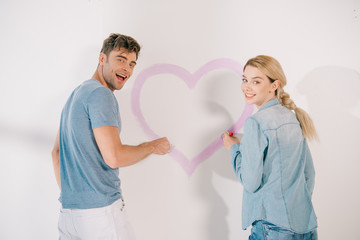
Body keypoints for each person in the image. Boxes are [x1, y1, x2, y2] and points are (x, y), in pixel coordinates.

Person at [51, 33, 171, 240]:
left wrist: (78, 197)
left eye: (132, 64)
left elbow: (56, 153)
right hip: (101, 215)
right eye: (120, 59)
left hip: (69, 215)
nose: (127, 68)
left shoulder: (74, 96)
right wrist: (152, 146)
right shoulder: (100, 94)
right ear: (101, 59)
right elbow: (114, 157)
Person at [222, 55, 318, 240]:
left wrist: (234, 149)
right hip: (306, 226)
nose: (247, 87)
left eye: (256, 81)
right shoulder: (293, 118)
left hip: (272, 228)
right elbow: (309, 174)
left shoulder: (255, 123)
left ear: (274, 85)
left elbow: (251, 181)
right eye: (244, 80)